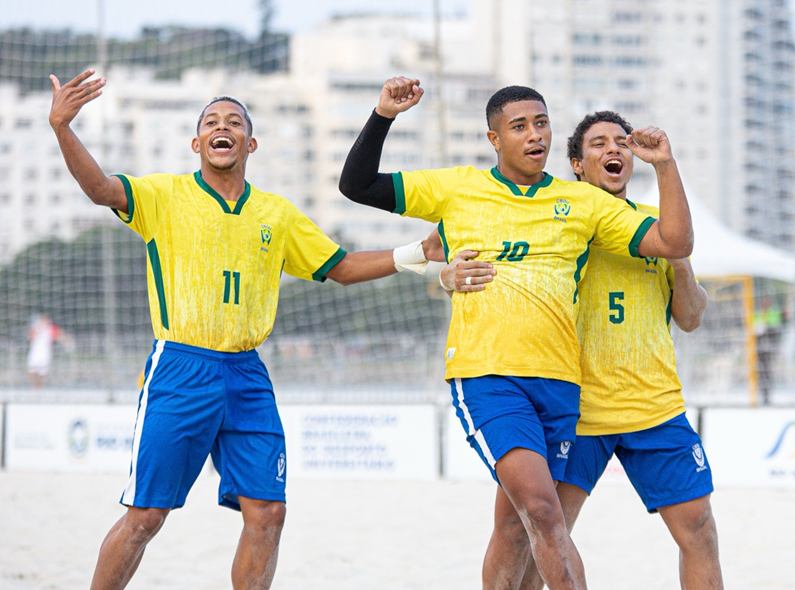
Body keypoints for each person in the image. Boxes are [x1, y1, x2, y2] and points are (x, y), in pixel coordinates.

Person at [48, 69, 434, 590]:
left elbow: (340, 267)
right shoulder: (163, 195)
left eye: (233, 121)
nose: (221, 127)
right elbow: (98, 189)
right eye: (211, 121)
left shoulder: (276, 213)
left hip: (248, 375)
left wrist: (419, 254)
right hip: (180, 369)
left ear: (250, 142)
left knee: (268, 515)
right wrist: (63, 127)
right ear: (197, 142)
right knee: (145, 518)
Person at [338, 77, 694, 590]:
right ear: (494, 139)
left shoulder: (582, 203)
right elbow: (357, 184)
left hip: (560, 385)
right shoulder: (457, 188)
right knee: (544, 511)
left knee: (512, 526)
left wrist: (663, 165)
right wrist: (383, 116)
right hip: (488, 377)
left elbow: (674, 240)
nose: (535, 136)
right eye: (519, 126)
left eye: (542, 123)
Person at [438, 111, 722, 589]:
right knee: (530, 533)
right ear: (576, 164)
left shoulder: (658, 226)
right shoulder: (554, 219)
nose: (613, 150)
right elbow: (487, 266)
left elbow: (691, 317)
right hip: (576, 407)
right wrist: (447, 276)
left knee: (699, 530)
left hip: (654, 406)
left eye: (621, 143)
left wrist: (680, 262)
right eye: (597, 144)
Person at [27, 313, 70, 388]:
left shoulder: (51, 327)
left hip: (45, 353)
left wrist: (67, 342)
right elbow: (30, 339)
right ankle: (34, 388)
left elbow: (59, 336)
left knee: (42, 373)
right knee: (32, 371)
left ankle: (40, 389)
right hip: (34, 353)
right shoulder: (35, 327)